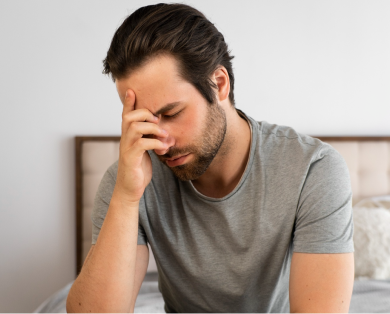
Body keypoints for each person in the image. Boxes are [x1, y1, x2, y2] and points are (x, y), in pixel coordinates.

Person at [66, 3, 354, 314]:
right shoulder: (129, 180)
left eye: (171, 113)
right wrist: (125, 196)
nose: (160, 144)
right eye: (146, 121)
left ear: (219, 84)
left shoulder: (313, 170)